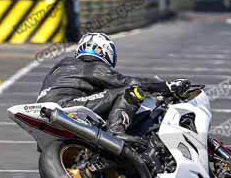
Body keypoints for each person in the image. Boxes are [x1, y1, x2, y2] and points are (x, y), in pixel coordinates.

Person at [37, 32, 190, 141]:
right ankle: (116, 130)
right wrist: (166, 86)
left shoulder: (62, 65)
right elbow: (128, 82)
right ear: (106, 51)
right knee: (129, 91)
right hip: (66, 105)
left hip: (45, 109)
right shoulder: (92, 65)